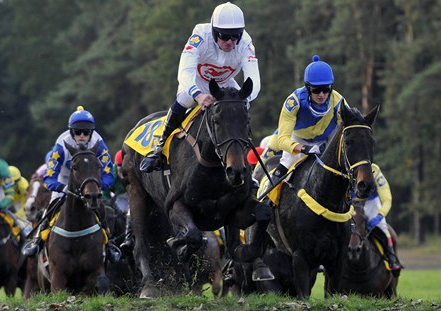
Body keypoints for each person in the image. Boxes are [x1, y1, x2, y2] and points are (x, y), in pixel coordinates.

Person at [140, 1, 261, 173]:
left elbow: (254, 80)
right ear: (214, 31)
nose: (230, 42)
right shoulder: (200, 36)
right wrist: (198, 95)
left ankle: (245, 164)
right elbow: (184, 71)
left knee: (240, 109)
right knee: (184, 99)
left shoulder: (246, 43)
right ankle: (159, 148)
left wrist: (244, 99)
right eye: (224, 36)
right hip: (196, 81)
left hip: (225, 84)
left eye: (235, 36)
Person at [22, 106, 120, 263]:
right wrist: (62, 188)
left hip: (88, 182)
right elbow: (49, 177)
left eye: (86, 132)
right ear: (71, 132)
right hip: (64, 181)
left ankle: (109, 245)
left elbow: (109, 174)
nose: (82, 135)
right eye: (77, 132)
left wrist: (97, 186)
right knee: (51, 206)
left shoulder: (99, 144)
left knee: (102, 208)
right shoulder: (61, 145)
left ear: (92, 132)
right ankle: (37, 241)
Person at [271, 55, 349, 185]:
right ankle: (268, 201)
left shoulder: (339, 102)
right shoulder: (293, 102)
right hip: (298, 141)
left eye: (325, 89)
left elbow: (347, 130)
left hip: (327, 141)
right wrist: (304, 148)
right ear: (307, 87)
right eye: (316, 90)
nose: (321, 95)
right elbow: (282, 140)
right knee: (280, 172)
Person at [360, 163, 402, 271]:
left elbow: (387, 199)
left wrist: (379, 216)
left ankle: (392, 258)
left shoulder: (374, 169)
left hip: (372, 205)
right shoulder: (345, 167)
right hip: (352, 205)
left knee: (383, 229)